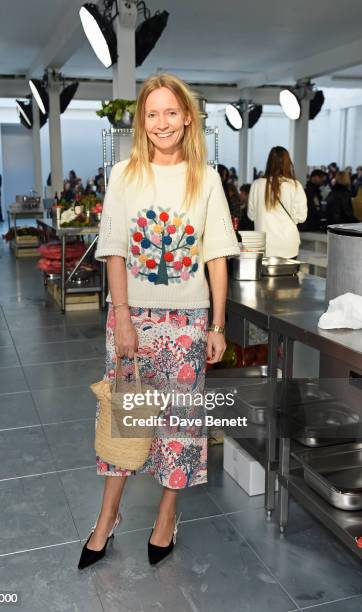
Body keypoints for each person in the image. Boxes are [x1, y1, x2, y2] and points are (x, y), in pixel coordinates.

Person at [78, 73, 239, 571]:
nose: (162, 123)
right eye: (152, 114)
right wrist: (122, 317)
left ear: (187, 117)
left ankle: (167, 518)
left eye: (171, 112)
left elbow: (216, 257)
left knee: (180, 427)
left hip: (189, 324)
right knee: (128, 423)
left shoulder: (205, 177)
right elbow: (115, 253)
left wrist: (217, 325)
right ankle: (106, 520)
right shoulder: (123, 174)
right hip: (134, 321)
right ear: (141, 122)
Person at [247, 146, 307, 258]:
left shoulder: (257, 184)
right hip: (288, 244)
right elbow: (302, 217)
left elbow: (251, 216)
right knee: (289, 275)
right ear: (288, 163)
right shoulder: (295, 185)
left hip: (264, 244)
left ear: (269, 162)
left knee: (264, 275)